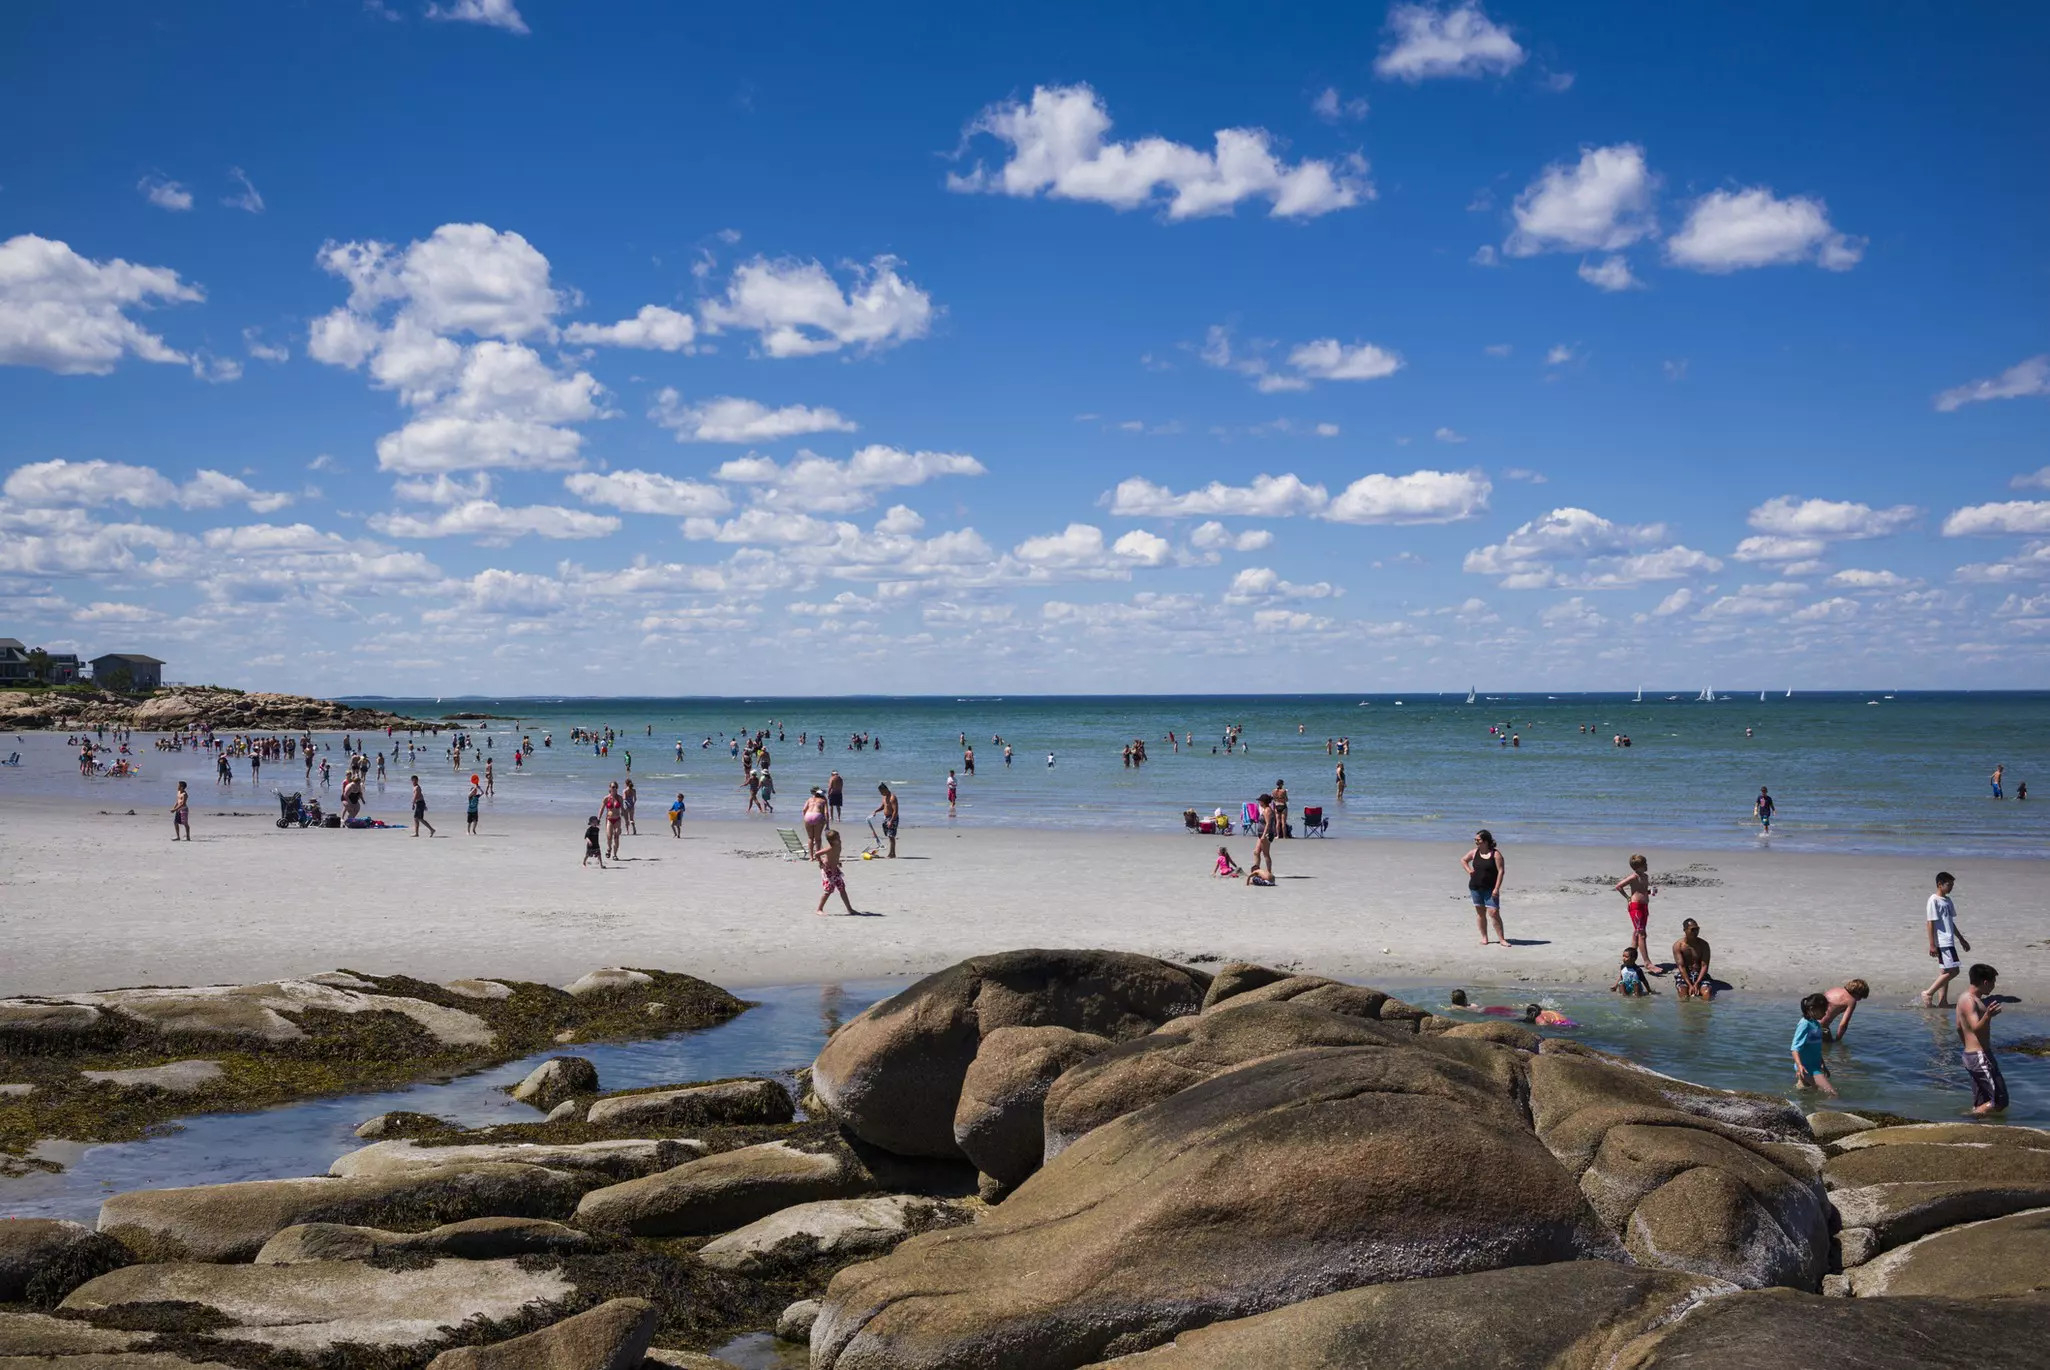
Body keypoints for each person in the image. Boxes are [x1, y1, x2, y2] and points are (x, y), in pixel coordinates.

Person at [1957, 964, 2008, 1115]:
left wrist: (1967, 1050)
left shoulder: (1963, 998)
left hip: (1973, 1055)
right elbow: (1976, 1028)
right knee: (2000, 1100)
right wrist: (1988, 1015)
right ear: (1986, 982)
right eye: (1993, 982)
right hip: (1980, 1056)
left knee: (1982, 1100)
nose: (1993, 986)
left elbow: (1959, 1028)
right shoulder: (1970, 1000)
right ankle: (1968, 1118)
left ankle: (1976, 1126)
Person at [1921, 871, 1967, 1007]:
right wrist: (1932, 944)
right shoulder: (1933, 900)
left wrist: (1961, 939)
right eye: (1949, 884)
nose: (1951, 887)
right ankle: (1928, 993)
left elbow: (1950, 922)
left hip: (1949, 940)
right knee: (1955, 970)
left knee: (1945, 971)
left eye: (1952, 884)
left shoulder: (1948, 900)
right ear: (1939, 885)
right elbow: (1930, 922)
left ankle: (1943, 1002)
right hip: (1942, 941)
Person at [1462, 829, 1506, 947]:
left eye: (1478, 840)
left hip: (1490, 888)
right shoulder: (1474, 852)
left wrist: (1496, 888)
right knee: (1480, 913)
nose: (1476, 842)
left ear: (1486, 841)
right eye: (1475, 840)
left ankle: (1501, 939)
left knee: (1494, 912)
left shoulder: (1496, 854)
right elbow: (1463, 860)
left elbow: (1501, 872)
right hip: (1475, 887)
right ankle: (1484, 937)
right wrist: (1469, 870)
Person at [1614, 854, 1655, 972]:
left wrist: (1649, 892)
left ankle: (1631, 959)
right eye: (1644, 864)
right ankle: (1647, 963)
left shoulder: (1646, 876)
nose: (1647, 866)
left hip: (1644, 907)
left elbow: (1641, 891)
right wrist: (1628, 898)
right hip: (1636, 907)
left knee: (1637, 933)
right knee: (1641, 934)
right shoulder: (1633, 877)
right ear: (1637, 867)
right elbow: (1619, 886)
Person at [1791, 992, 1837, 1098]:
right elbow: (1795, 1048)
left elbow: (1815, 1048)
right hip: (1807, 1068)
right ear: (1812, 1008)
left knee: (1808, 1095)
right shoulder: (1804, 1024)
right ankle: (1826, 1114)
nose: (1825, 1014)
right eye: (1823, 1011)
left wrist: (1822, 1063)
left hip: (1815, 1066)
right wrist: (1799, 1066)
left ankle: (1809, 1113)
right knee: (1832, 1094)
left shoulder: (1816, 1024)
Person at [815, 827, 856, 915]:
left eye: (839, 837)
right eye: (837, 838)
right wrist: (820, 863)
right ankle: (819, 909)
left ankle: (849, 909)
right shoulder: (830, 848)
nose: (839, 839)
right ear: (832, 841)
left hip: (835, 870)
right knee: (828, 891)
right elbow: (817, 854)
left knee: (842, 889)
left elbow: (836, 855)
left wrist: (837, 862)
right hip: (828, 870)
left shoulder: (839, 844)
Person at [1672, 918, 1713, 999]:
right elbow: (1681, 966)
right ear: (1685, 930)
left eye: (1697, 929)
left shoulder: (1704, 945)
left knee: (1707, 994)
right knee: (1682, 994)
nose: (1696, 932)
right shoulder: (1678, 946)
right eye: (1692, 930)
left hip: (1700, 974)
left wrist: (1697, 983)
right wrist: (1690, 984)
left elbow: (1704, 965)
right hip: (1685, 974)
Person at [872, 782, 899, 858]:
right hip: (886, 818)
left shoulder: (892, 798)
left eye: (881, 792)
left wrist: (891, 821)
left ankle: (892, 853)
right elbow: (883, 806)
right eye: (880, 792)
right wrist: (876, 811)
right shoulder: (884, 797)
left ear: (886, 789)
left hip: (892, 818)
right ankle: (891, 853)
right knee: (888, 835)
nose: (881, 794)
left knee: (891, 836)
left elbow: (895, 811)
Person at [802, 788, 829, 856]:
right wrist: (827, 825)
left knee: (810, 838)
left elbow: (804, 809)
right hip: (817, 816)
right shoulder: (823, 801)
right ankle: (817, 856)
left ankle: (811, 857)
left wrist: (805, 818)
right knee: (818, 839)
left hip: (808, 816)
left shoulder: (809, 799)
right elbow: (826, 813)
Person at [602, 781, 624, 860]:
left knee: (616, 837)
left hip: (617, 820)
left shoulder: (620, 798)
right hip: (609, 819)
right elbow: (601, 809)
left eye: (615, 787)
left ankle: (615, 855)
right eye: (612, 787)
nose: (614, 788)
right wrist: (598, 818)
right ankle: (609, 848)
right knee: (609, 836)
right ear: (610, 788)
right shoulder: (606, 798)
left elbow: (623, 809)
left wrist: (627, 820)